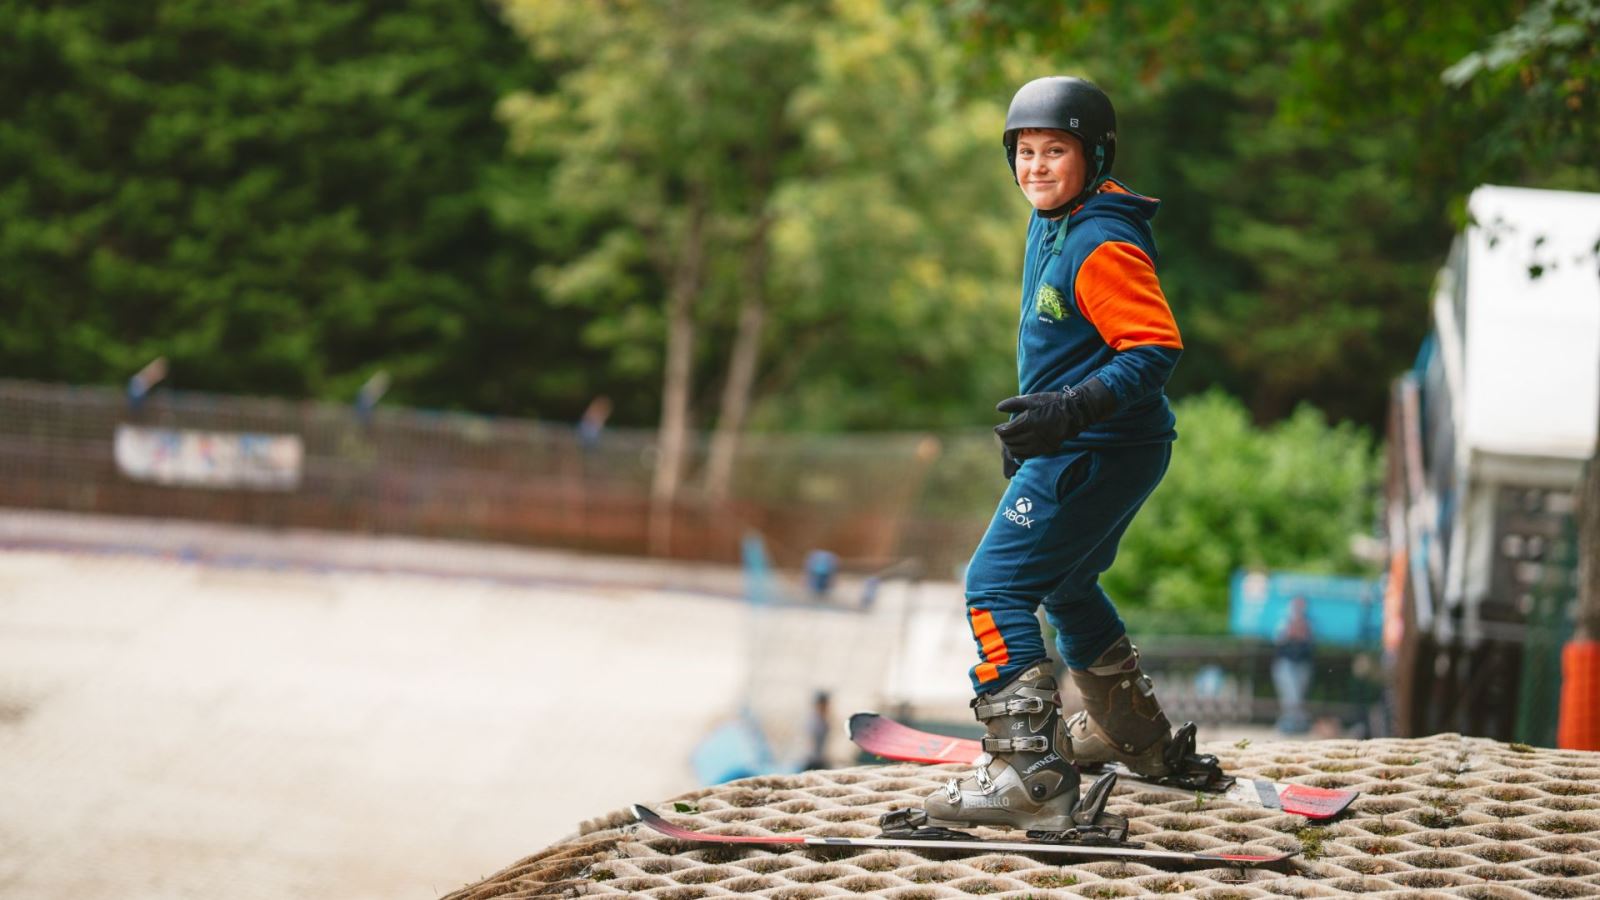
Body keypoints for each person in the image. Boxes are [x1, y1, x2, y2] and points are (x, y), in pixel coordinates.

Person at [921, 76, 1185, 833]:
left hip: (1100, 446)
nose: (1035, 167)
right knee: (1067, 584)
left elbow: (1154, 349)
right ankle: (1128, 731)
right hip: (1098, 444)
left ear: (1095, 155)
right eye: (1024, 152)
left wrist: (1070, 412)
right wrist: (1045, 418)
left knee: (994, 586)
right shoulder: (1057, 220)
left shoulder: (1100, 239)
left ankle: (1028, 780)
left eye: (1055, 151)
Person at [1272, 596, 1315, 734]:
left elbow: (1309, 645)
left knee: (1298, 696)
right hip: (1286, 663)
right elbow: (1279, 643)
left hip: (1302, 664)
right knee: (1290, 696)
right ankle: (1288, 724)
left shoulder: (1308, 624)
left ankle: (1297, 725)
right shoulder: (1284, 623)